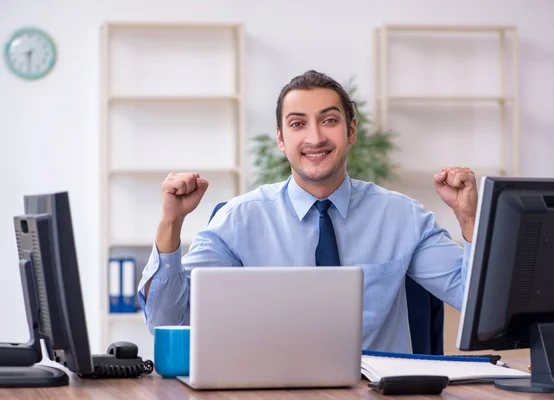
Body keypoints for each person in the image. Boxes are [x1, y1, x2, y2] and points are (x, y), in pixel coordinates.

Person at [137, 70, 478, 354]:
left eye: (329, 120)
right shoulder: (240, 220)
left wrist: (470, 222)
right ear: (281, 139)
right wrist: (172, 222)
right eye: (298, 124)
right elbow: (169, 321)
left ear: (351, 130)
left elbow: (474, 302)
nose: (315, 138)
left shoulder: (402, 217)